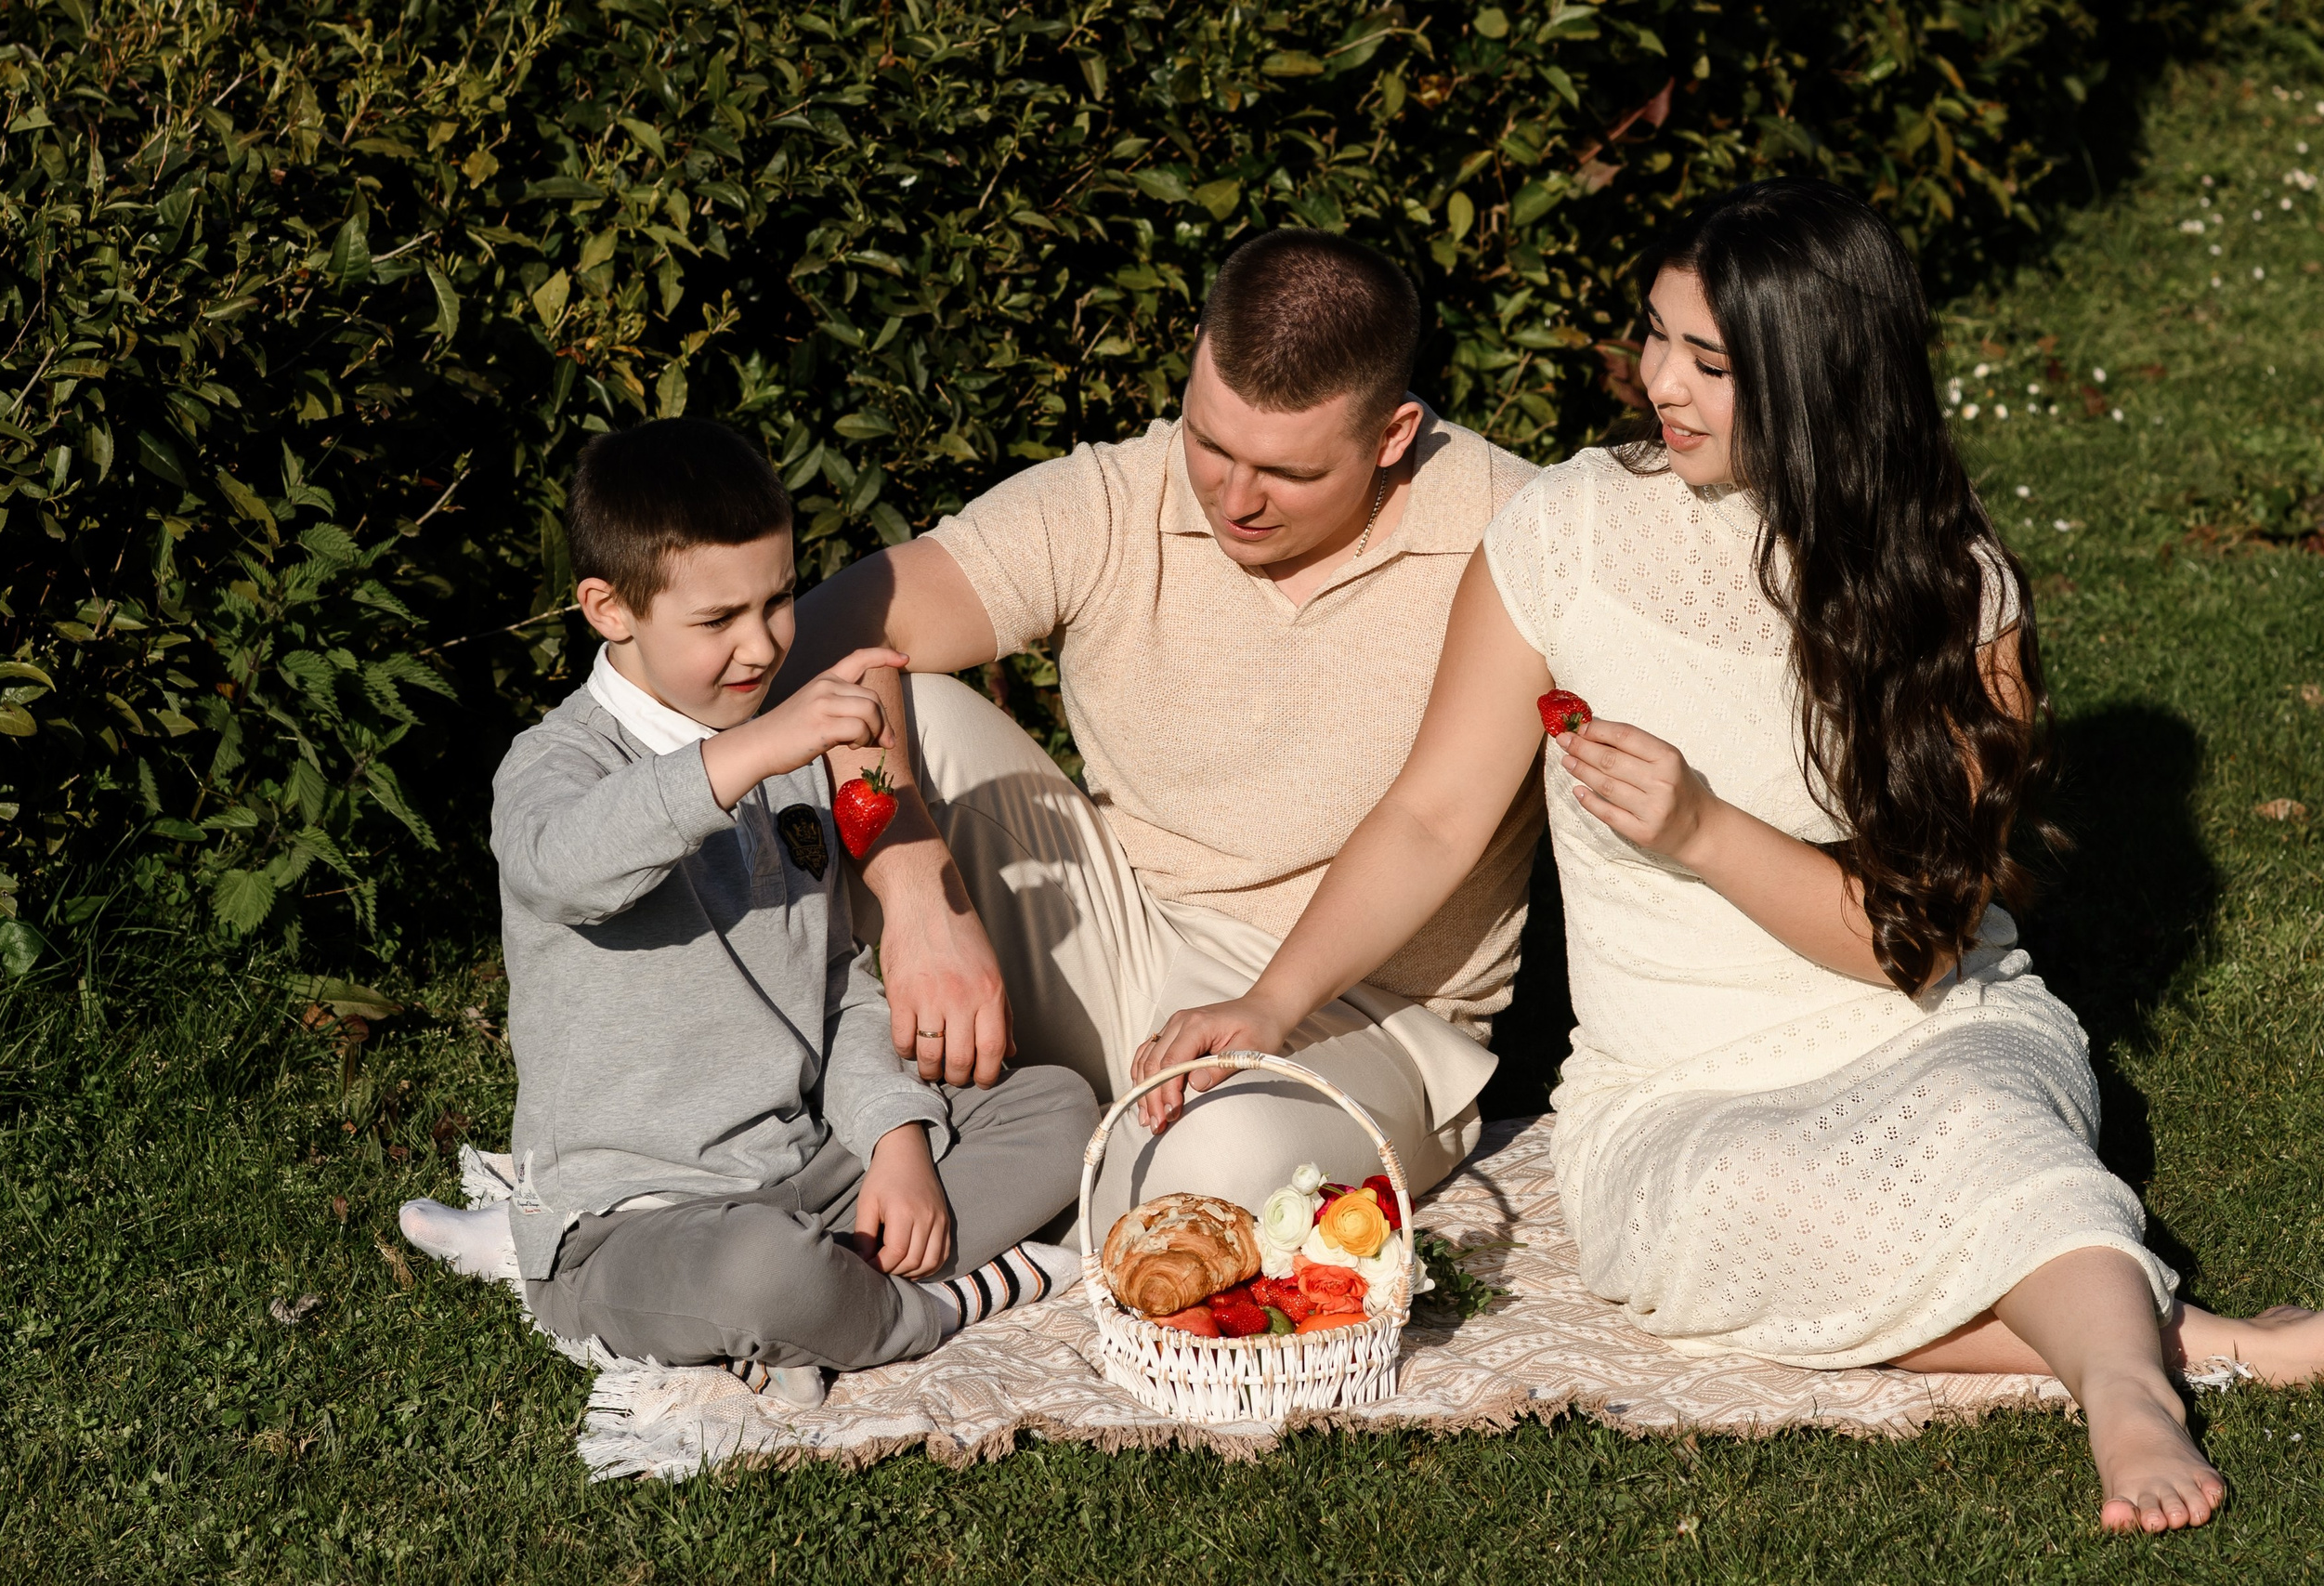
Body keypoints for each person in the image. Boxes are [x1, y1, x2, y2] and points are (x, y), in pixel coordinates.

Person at [1141, 178, 2324, 1531]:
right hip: (1675, 1077)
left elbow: (1915, 945)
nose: (1661, 384)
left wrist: (1702, 828)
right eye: (1656, 337)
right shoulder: (1566, 533)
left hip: (1921, 1020)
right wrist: (1270, 1003)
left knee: (1987, 1133)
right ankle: (2195, 1339)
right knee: (1737, 1202)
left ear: (1821, 378)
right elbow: (1431, 814)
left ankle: (2128, 1392)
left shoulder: (1958, 587)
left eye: (1712, 363)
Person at [777, 229, 1545, 1220]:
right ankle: (979, 1134)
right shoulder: (1114, 496)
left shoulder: (1518, 529)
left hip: (1363, 1016)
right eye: (1209, 442)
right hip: (1121, 929)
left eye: (1287, 473)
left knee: (1218, 1174)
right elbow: (816, 645)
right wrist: (918, 892)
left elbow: (1436, 821)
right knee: (895, 706)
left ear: (1393, 435)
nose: (1233, 498)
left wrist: (1267, 1006)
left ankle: (1006, 1172)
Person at [399, 418, 1097, 1405]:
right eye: (718, 619)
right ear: (609, 609)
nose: (765, 644)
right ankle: (929, 1308)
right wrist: (757, 753)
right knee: (760, 1268)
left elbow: (842, 987)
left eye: (778, 601)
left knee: (1061, 1110)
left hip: (811, 1166)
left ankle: (833, 1289)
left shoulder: (787, 757)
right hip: (634, 1219)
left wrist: (898, 1146)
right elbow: (567, 867)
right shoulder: (559, 763)